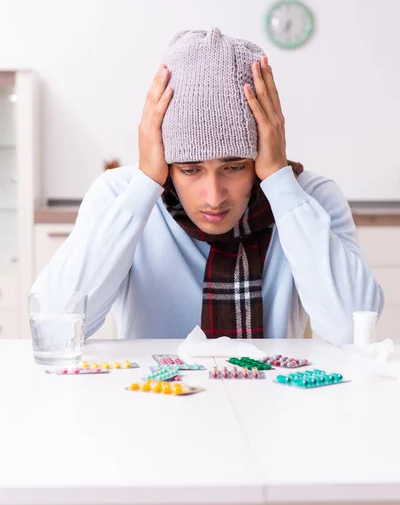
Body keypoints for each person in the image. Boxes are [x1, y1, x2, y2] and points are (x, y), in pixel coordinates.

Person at [31, 28, 384, 345]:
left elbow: (353, 331)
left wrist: (279, 181)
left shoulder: (310, 197)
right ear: (166, 160)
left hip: (276, 407)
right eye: (190, 169)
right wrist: (144, 186)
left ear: (262, 152)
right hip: (152, 407)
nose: (213, 197)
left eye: (233, 166)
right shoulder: (120, 195)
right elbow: (55, 326)